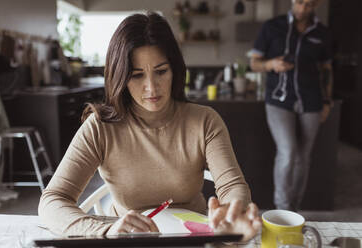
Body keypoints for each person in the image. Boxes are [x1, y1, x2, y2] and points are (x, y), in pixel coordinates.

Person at [39, 12, 261, 241]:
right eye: (136, 75)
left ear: (175, 70)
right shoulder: (99, 128)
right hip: (129, 241)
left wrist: (231, 214)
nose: (152, 88)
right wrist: (103, 230)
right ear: (120, 77)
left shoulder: (205, 121)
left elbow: (232, 186)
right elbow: (52, 200)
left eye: (161, 72)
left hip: (192, 238)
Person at [249, 0, 333, 211]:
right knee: (288, 151)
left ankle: (294, 209)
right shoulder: (272, 26)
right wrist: (271, 64)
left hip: (311, 101)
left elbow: (327, 70)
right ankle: (282, 209)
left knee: (303, 158)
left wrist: (327, 102)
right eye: (300, 2)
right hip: (279, 100)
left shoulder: (322, 33)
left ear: (317, 5)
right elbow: (254, 62)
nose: (303, 8)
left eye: (309, 4)